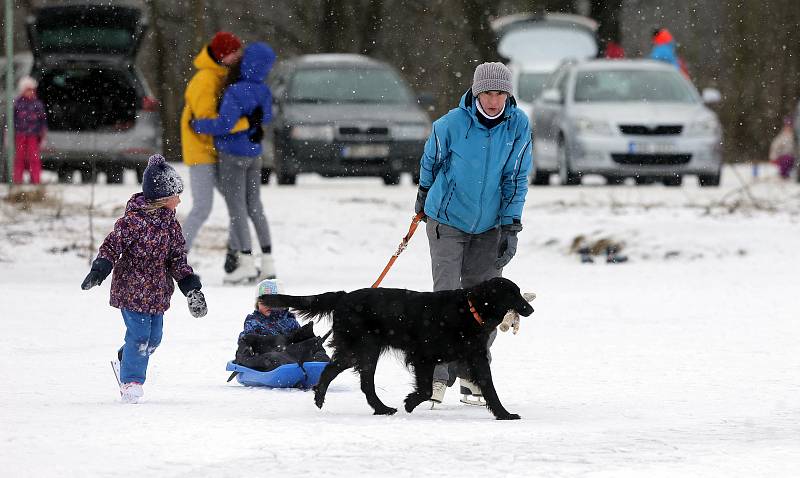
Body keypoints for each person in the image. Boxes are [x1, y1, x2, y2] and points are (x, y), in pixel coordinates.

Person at [413, 62, 532, 405]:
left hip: (491, 224)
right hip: (447, 219)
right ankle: (435, 377)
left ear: (508, 95)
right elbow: (431, 162)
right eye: (487, 93)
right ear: (475, 93)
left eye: (500, 94)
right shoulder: (450, 124)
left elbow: (516, 177)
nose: (493, 101)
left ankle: (471, 373)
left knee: (488, 302)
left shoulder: (518, 125)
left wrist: (511, 225)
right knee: (445, 298)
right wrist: (423, 194)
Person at [80, 154, 208, 404]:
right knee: (139, 336)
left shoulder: (172, 226)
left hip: (157, 292)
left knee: (154, 339)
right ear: (162, 198)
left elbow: (178, 261)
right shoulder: (132, 222)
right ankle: (131, 382)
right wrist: (99, 270)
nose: (180, 200)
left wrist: (192, 289)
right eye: (176, 195)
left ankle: (126, 359)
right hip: (130, 289)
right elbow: (111, 247)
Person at [192, 42, 277, 285]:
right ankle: (268, 261)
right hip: (254, 154)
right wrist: (253, 120)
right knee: (255, 206)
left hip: (232, 155)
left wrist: (198, 125)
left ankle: (246, 262)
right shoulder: (264, 90)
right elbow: (268, 116)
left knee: (236, 208)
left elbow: (223, 125)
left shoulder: (235, 91)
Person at [180, 31, 248, 258]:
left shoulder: (220, 76)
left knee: (237, 203)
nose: (239, 57)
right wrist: (245, 124)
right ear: (222, 55)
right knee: (202, 207)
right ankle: (175, 256)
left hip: (216, 151)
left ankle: (236, 255)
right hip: (201, 152)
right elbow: (208, 123)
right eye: (235, 53)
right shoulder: (205, 80)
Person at [12, 76, 47, 184]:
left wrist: (43, 133)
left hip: (33, 136)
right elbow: (11, 120)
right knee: (19, 159)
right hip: (20, 135)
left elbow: (43, 120)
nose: (31, 92)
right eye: (28, 89)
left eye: (32, 89)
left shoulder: (37, 104)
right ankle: (18, 180)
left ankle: (35, 180)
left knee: (34, 159)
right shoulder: (17, 104)